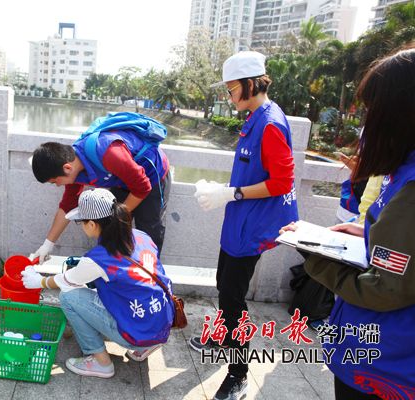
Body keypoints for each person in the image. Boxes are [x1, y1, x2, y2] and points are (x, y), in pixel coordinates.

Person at [282, 47, 415, 400]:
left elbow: (385, 289)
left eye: (372, 111)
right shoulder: (403, 170)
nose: (364, 123)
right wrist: (368, 232)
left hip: (386, 364)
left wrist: (315, 257)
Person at [190, 51, 299, 400]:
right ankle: (223, 337)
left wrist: (231, 193)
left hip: (252, 225)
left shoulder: (269, 123)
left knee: (233, 297)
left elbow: (282, 182)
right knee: (225, 283)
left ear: (251, 84)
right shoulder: (254, 117)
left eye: (231, 88)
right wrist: (224, 193)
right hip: (240, 218)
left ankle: (238, 374)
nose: (228, 95)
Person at [21, 188, 174, 378]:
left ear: (92, 224)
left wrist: (39, 281)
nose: (82, 225)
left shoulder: (99, 258)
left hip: (137, 332)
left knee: (68, 297)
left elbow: (66, 281)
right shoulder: (142, 236)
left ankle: (101, 362)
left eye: (81, 222)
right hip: (162, 323)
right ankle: (146, 346)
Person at [30, 113, 171, 262]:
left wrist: (117, 216)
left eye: (55, 181)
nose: (58, 185)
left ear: (66, 168)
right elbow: (67, 206)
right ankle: (116, 274)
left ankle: (148, 276)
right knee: (112, 233)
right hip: (122, 179)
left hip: (151, 175)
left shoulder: (109, 153)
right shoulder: (74, 169)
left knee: (148, 230)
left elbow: (142, 186)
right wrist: (47, 245)